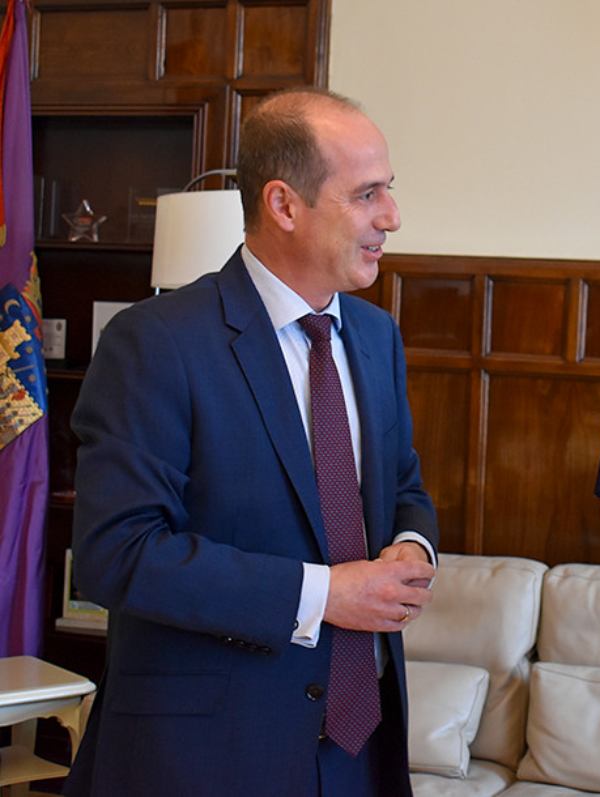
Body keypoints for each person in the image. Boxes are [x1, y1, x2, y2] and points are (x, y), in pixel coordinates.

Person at [65, 88, 438, 796]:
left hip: (361, 752)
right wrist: (325, 594)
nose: (391, 216)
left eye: (388, 190)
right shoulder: (155, 343)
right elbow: (117, 554)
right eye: (366, 194)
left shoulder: (377, 338)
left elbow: (405, 487)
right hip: (206, 757)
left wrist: (412, 550)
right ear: (285, 204)